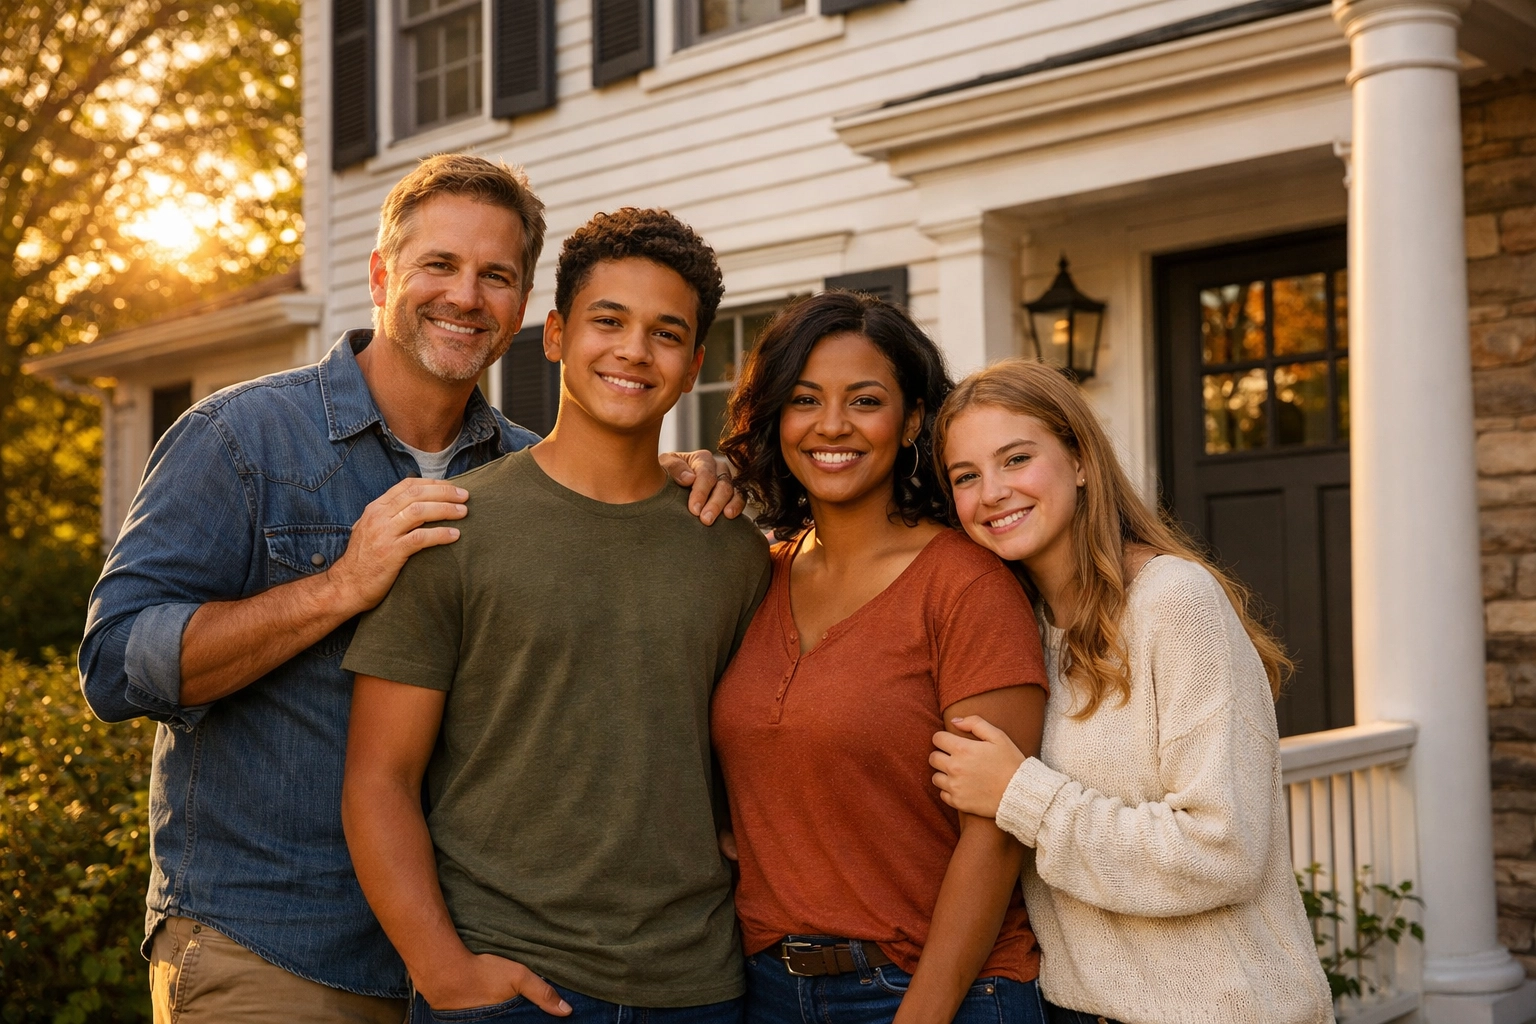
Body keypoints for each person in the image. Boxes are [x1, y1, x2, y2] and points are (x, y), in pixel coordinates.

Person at [77, 157, 741, 1024]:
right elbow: (114, 666)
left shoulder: (516, 469)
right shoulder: (242, 438)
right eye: (439, 264)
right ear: (382, 274)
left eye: (495, 275)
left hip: (469, 954)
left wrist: (673, 478)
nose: (465, 295)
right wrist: (338, 586)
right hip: (274, 944)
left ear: (522, 309)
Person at [340, 207, 771, 1024]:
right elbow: (377, 779)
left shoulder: (735, 552)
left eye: (666, 334)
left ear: (693, 367)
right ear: (557, 335)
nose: (634, 350)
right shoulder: (453, 527)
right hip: (508, 982)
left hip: (700, 986)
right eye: (609, 321)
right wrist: (444, 972)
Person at [927, 358, 1334, 1024]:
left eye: (1016, 459)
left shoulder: (1174, 601)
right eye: (965, 476)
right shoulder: (1015, 629)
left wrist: (1021, 795)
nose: (992, 492)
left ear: (1081, 460)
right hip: (1075, 1010)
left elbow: (1222, 849)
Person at [711, 291, 1051, 1024]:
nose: (832, 425)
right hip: (769, 990)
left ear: (913, 421)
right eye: (805, 400)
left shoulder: (967, 585)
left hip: (940, 992)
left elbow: (995, 836)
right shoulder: (754, 575)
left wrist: (922, 1014)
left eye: (864, 400)